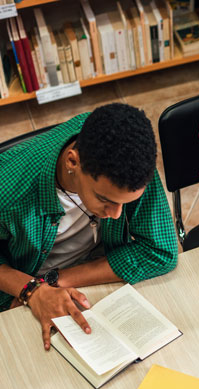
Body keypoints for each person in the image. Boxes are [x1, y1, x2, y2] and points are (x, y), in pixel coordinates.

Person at [0, 103, 178, 349]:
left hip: (72, 278)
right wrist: (30, 290)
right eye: (104, 199)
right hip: (19, 285)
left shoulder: (131, 159)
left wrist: (53, 281)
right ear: (73, 162)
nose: (116, 215)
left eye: (124, 203)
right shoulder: (8, 187)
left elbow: (161, 252)